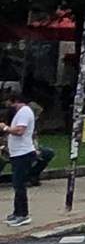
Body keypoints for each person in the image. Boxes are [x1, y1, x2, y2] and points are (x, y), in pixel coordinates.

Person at [6, 88, 37, 227]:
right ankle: (16, 211)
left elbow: (20, 131)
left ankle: (23, 214)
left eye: (11, 104)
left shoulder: (24, 112)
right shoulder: (21, 112)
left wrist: (5, 128)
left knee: (19, 185)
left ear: (16, 102)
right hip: (17, 153)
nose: (10, 108)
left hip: (23, 153)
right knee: (16, 184)